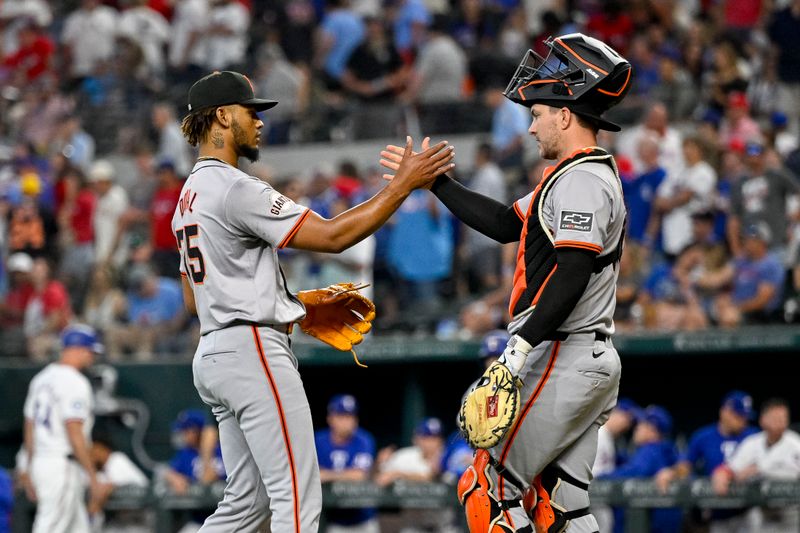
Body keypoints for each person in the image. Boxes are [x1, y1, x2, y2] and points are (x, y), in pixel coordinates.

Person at [172, 70, 453, 532]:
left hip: (215, 354)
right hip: (253, 352)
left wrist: (292, 304)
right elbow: (334, 235)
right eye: (251, 111)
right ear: (222, 116)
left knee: (244, 507)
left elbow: (192, 301)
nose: (260, 121)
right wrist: (403, 184)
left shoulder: (188, 196)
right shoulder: (235, 186)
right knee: (297, 501)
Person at [382, 33, 630, 532]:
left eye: (537, 113)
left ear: (565, 115)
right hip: (586, 354)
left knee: (487, 488)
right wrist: (436, 182)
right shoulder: (572, 175)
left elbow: (573, 272)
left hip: (563, 351)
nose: (531, 124)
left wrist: (518, 350)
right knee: (561, 507)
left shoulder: (581, 179)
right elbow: (503, 224)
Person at [20, 324, 103, 533]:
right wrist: (92, 475)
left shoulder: (41, 379)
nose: (92, 357)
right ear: (77, 349)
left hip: (43, 461)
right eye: (89, 351)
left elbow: (29, 428)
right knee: (48, 528)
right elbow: (74, 433)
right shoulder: (74, 381)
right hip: (61, 463)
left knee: (78, 528)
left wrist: (29, 467)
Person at [655, 391, 758, 531]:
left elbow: (766, 461)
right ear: (724, 412)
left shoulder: (754, 435)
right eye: (738, 415)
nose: (743, 421)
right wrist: (672, 472)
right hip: (718, 513)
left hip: (749, 511)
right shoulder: (704, 436)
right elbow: (686, 465)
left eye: (745, 416)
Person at [712, 398, 800, 533]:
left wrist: (759, 470)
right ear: (763, 420)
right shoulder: (752, 443)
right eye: (775, 418)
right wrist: (721, 474)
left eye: (783, 418)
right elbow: (729, 468)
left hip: (790, 514)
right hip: (760, 513)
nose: (780, 422)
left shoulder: (796, 444)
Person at [599, 405, 681, 533]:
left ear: (653, 431)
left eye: (642, 424)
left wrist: (597, 478)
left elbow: (633, 472)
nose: (636, 428)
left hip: (649, 525)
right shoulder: (666, 450)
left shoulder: (650, 451)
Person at [314, 394, 378, 533]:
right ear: (330, 418)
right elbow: (313, 474)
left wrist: (328, 475)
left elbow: (359, 475)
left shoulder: (364, 439)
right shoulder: (319, 440)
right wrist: (344, 474)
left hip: (363, 518)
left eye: (350, 416)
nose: (346, 421)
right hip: (332, 520)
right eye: (341, 416)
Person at [591, 398, 640, 533]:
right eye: (627, 419)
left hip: (599, 496)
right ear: (617, 413)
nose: (628, 426)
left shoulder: (608, 437)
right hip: (591, 494)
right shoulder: (599, 434)